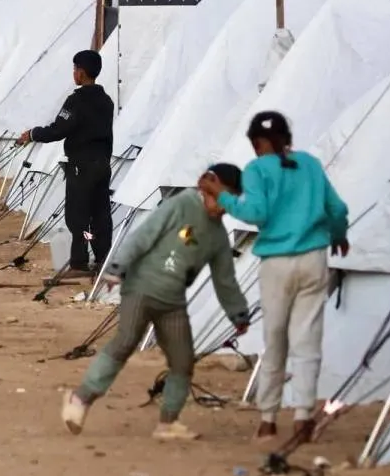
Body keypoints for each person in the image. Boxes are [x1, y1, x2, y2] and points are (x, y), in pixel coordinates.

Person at [64, 163, 251, 442]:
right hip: (141, 288)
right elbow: (144, 235)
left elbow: (225, 280)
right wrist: (117, 267)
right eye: (222, 197)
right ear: (207, 187)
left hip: (172, 302)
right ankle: (80, 399)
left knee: (182, 360)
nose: (224, 207)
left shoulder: (217, 236)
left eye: (231, 201)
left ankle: (168, 423)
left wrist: (238, 314)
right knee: (125, 342)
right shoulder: (181, 204)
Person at [202, 111, 350, 443]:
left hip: (277, 262)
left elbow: (257, 213)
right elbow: (337, 210)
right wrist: (338, 235)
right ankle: (302, 417)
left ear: (258, 143)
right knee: (307, 338)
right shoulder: (310, 165)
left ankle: (268, 420)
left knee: (276, 338)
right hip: (313, 258)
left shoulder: (257, 170)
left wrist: (223, 196)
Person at [17, 49, 115, 277]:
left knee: (77, 216)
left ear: (81, 73)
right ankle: (102, 259)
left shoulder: (77, 101)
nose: (74, 73)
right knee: (100, 214)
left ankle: (79, 263)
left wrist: (32, 134)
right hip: (102, 164)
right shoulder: (106, 101)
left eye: (74, 69)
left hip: (81, 166)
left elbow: (58, 130)